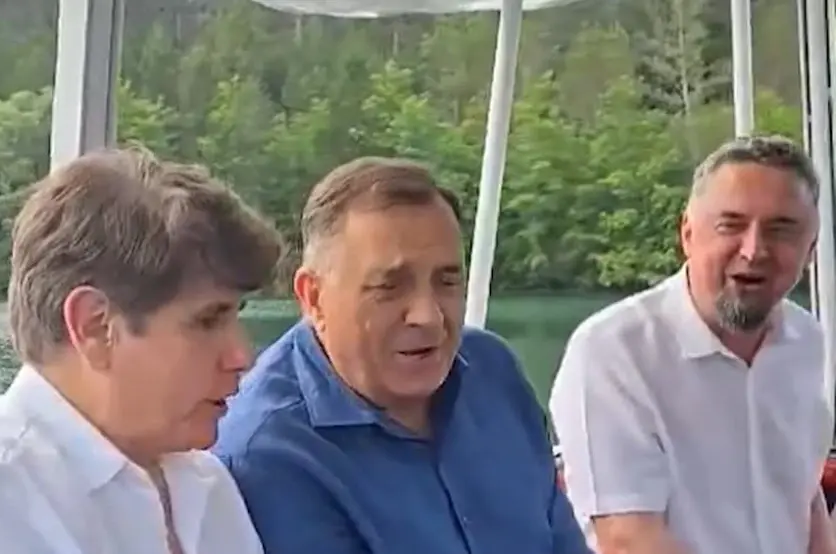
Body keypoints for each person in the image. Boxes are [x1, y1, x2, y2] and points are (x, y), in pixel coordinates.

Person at [0, 148, 283, 554]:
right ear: (94, 326)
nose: (241, 356)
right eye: (208, 320)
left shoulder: (207, 486)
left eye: (236, 316)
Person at [212, 157, 590, 554]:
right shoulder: (268, 452)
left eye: (447, 282)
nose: (428, 316)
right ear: (314, 297)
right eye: (389, 287)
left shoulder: (492, 369)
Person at [549, 135, 836, 554]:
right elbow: (629, 540)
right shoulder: (613, 353)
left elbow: (803, 499)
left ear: (810, 250)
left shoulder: (805, 341)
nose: (754, 250)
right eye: (731, 225)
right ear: (688, 234)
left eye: (781, 230)